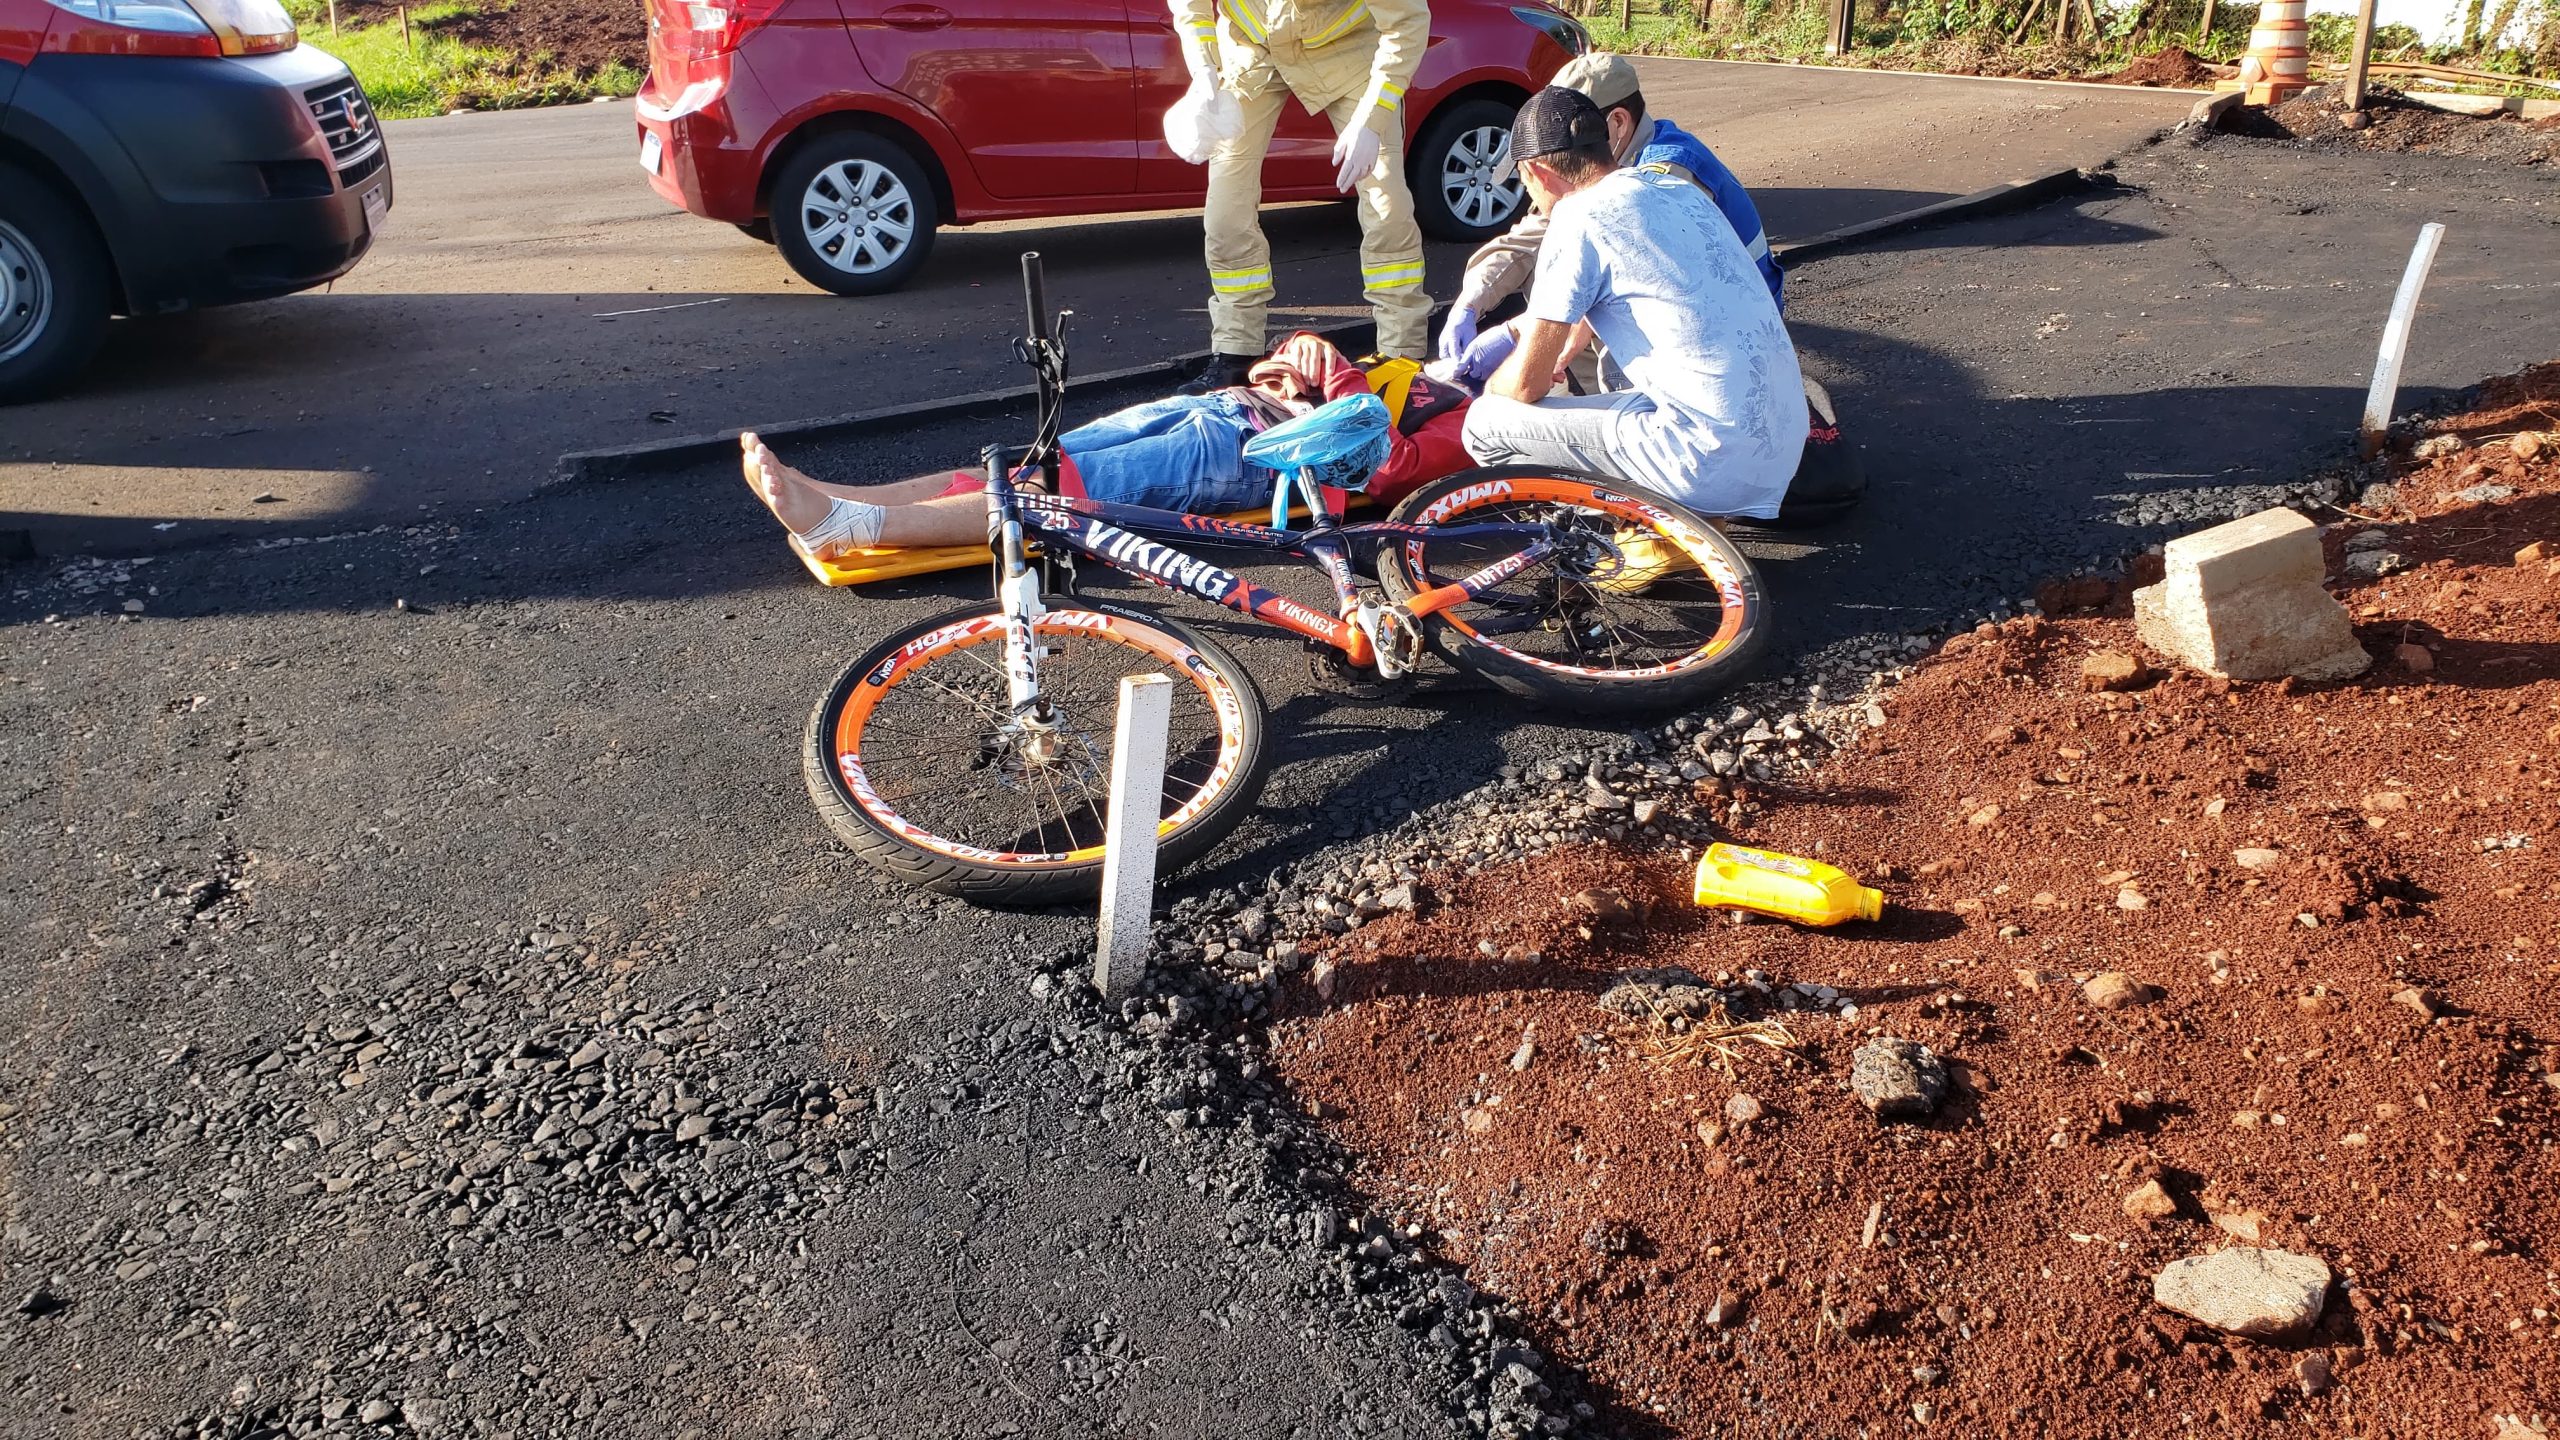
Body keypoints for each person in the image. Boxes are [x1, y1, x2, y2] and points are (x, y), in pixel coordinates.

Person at [744, 333, 1472, 558]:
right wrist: (1307, 365)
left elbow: (1386, 469)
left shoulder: (1469, 427)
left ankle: (855, 529)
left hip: (1250, 456)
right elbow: (1296, 359)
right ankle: (838, 499)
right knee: (1027, 463)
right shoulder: (1425, 377)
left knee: (1058, 495)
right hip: (1221, 407)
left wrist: (1335, 374)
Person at [1457, 88, 1807, 522]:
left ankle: (1598, 538)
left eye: (1524, 181)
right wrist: (1533, 336)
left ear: (1538, 171)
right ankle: (1678, 526)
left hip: (1707, 462)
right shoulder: (1675, 189)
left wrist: (1488, 385)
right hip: (1783, 444)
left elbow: (1526, 386)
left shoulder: (1576, 218)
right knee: (1632, 392)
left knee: (1486, 423)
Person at [1438, 52, 1780, 364]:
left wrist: (1518, 333)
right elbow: (1533, 235)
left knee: (1582, 299)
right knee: (1554, 269)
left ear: (1617, 123)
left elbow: (1641, 285)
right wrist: (1469, 303)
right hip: (1705, 319)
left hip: (1737, 332)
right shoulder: (1597, 166)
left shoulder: (1666, 179)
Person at [1165, 0, 1432, 392]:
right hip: (1251, 49)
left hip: (1349, 53)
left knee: (1386, 203)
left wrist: (1372, 120)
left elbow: (1407, 22)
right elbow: (1191, 5)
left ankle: (1401, 357)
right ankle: (1236, 352)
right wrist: (1203, 67)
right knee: (1226, 211)